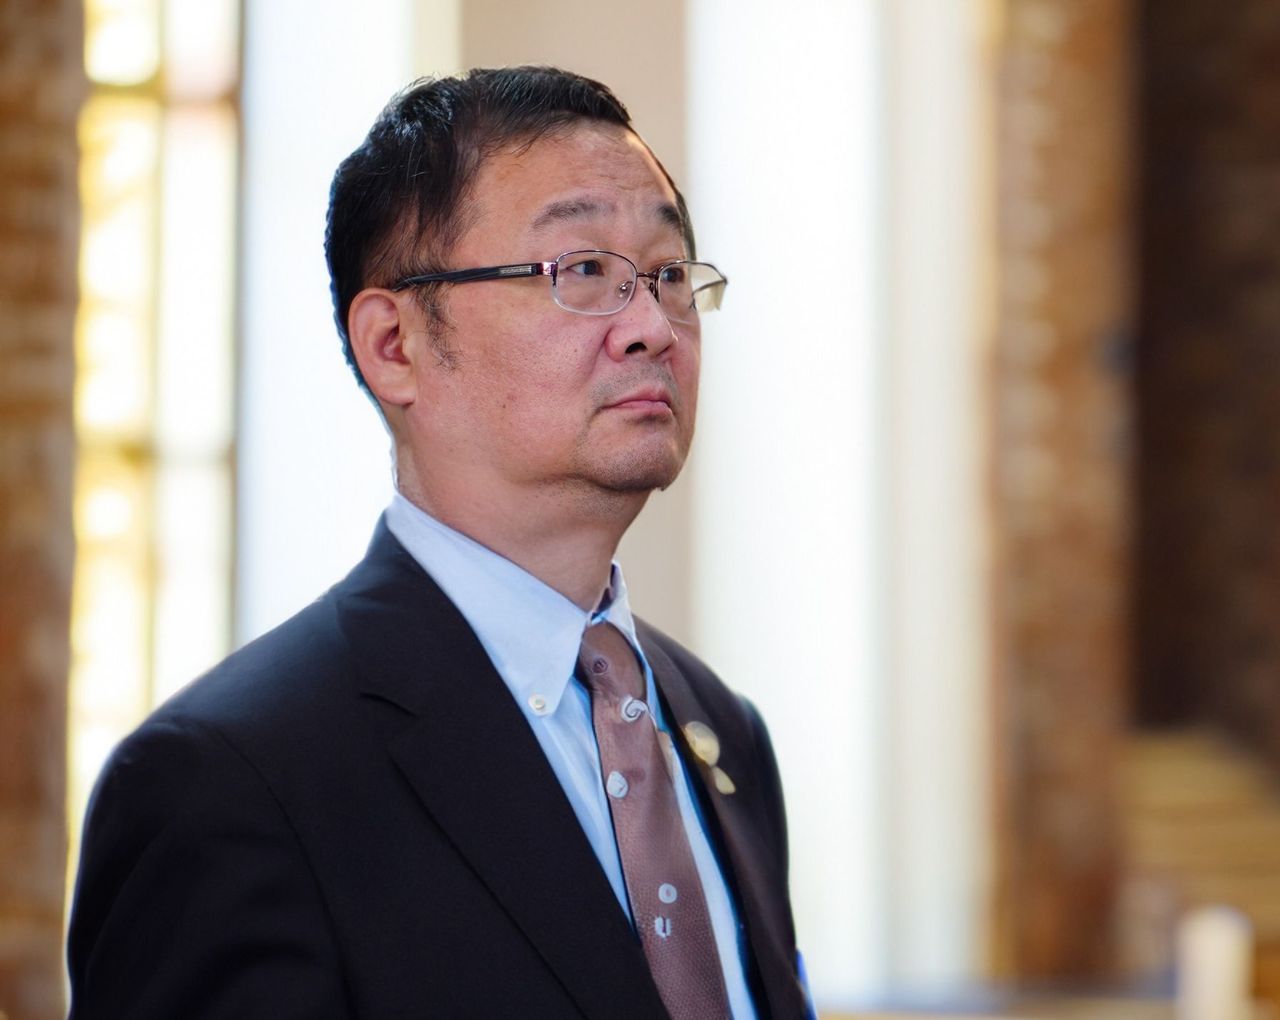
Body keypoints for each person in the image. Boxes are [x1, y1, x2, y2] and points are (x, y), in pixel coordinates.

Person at [67, 66, 809, 1019]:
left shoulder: (721, 729)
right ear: (394, 345)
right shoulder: (230, 785)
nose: (651, 328)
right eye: (583, 270)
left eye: (669, 276)